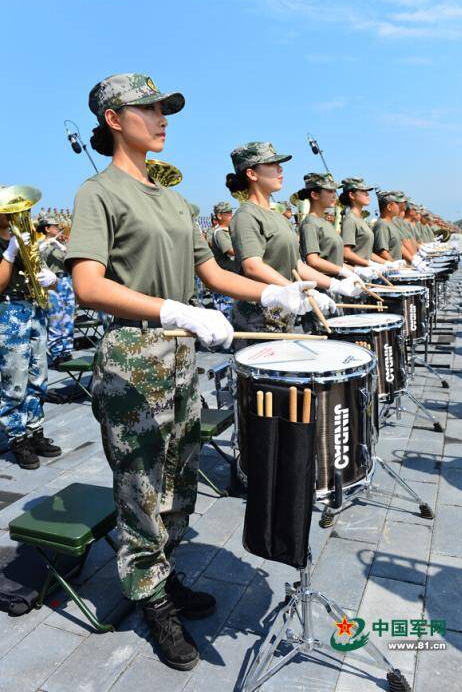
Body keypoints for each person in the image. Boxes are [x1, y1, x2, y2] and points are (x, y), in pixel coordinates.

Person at [65, 73, 319, 672]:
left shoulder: (176, 200)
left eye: (164, 109)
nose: (162, 118)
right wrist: (170, 309)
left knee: (177, 479)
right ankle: (148, 597)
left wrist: (281, 295)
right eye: (148, 109)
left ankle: (164, 573)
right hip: (134, 354)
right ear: (112, 119)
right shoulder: (96, 193)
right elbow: (86, 284)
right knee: (141, 485)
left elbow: (212, 273)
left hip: (180, 358)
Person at [227, 143, 359, 338]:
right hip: (258, 316)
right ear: (252, 174)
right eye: (272, 164)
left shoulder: (278, 217)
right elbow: (253, 266)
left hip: (284, 311)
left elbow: (296, 265)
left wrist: (333, 284)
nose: (280, 169)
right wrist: (293, 290)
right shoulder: (246, 215)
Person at [0, 210, 61, 469]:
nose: (14, 214)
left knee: (38, 376)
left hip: (34, 309)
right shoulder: (9, 245)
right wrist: (9, 254)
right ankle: (17, 438)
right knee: (14, 380)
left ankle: (35, 431)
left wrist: (52, 280)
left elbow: (48, 280)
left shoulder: (25, 239)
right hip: (8, 311)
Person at [298, 173, 359, 281]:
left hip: (337, 285)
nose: (335, 195)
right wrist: (342, 271)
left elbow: (334, 262)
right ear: (315, 195)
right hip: (323, 287)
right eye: (330, 191)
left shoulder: (325, 223)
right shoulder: (310, 223)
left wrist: (355, 271)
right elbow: (313, 261)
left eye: (334, 191)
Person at [339, 178, 399, 274]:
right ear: (351, 195)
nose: (368, 195)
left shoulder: (360, 219)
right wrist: (369, 264)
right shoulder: (350, 219)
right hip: (357, 274)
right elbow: (346, 253)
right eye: (363, 192)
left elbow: (366, 253)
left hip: (368, 273)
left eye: (367, 192)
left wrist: (387, 263)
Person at [38, 217, 75, 367]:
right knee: (55, 318)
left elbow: (71, 259)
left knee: (68, 317)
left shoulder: (63, 244)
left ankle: (67, 351)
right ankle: (56, 353)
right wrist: (48, 243)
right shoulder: (40, 244)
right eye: (55, 226)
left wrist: (60, 244)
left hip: (66, 280)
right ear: (47, 228)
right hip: (51, 284)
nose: (58, 228)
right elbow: (38, 259)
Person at [208, 201, 235, 320]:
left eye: (231, 212)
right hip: (225, 276)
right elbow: (231, 251)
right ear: (219, 216)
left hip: (230, 275)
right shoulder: (220, 233)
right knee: (226, 313)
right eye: (228, 213)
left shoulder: (227, 231)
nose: (231, 215)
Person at [373, 190, 407, 262]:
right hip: (391, 270)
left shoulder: (390, 223)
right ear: (389, 207)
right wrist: (395, 265)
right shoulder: (382, 225)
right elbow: (382, 252)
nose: (399, 206)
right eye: (397, 203)